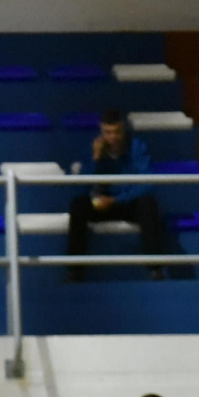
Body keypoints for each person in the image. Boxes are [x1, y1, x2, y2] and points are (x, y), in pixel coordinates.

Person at [68, 110, 164, 281]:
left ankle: (155, 269)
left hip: (128, 203)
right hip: (103, 204)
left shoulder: (137, 147)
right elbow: (83, 185)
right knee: (78, 205)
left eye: (117, 132)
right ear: (101, 131)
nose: (113, 137)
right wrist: (96, 158)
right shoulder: (94, 149)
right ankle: (75, 271)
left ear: (124, 129)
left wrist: (117, 199)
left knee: (148, 203)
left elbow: (147, 184)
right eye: (108, 132)